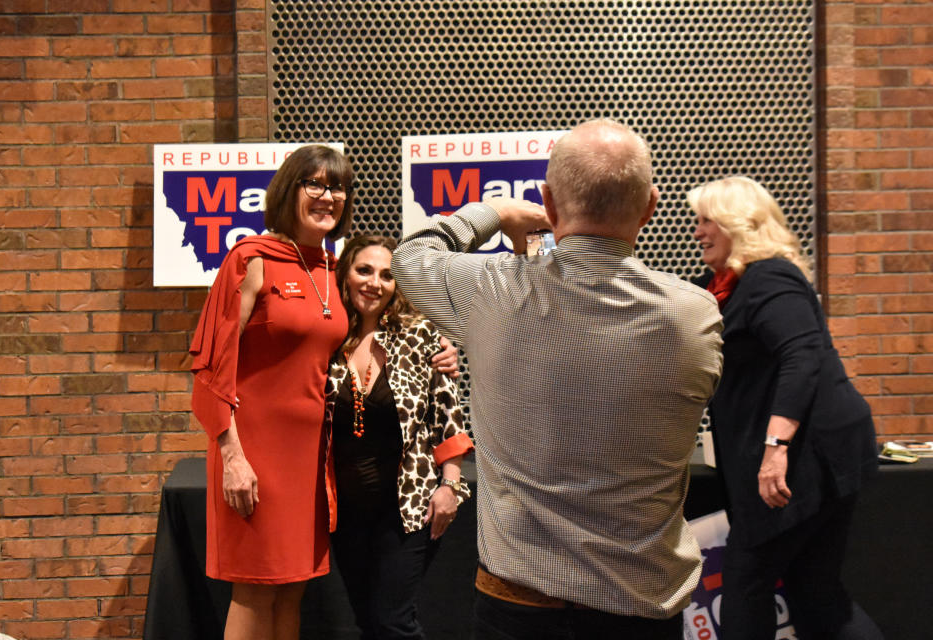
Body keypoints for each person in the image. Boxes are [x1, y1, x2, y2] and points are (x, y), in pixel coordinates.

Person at [392, 119, 724, 638]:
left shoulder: (491, 292)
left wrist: (497, 211)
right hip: (640, 605)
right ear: (650, 208)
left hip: (518, 604)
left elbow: (410, 258)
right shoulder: (695, 313)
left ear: (548, 204)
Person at [189, 146, 458, 640]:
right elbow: (211, 367)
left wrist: (440, 345)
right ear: (287, 190)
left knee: (292, 588)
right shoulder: (250, 260)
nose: (326, 196)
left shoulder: (329, 270)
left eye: (336, 187)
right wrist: (231, 455)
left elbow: (374, 326)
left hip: (314, 463)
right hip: (254, 452)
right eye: (313, 184)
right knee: (254, 588)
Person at [687, 176, 883, 640]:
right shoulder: (720, 287)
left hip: (806, 461)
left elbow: (803, 355)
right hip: (803, 458)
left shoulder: (770, 276)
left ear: (739, 223)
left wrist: (776, 446)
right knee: (814, 590)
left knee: (746, 580)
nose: (697, 232)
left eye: (706, 220)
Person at [326, 234, 474, 639]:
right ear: (345, 275)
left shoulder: (420, 335)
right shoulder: (325, 339)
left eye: (387, 275)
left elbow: (448, 417)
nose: (374, 282)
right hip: (346, 513)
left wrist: (450, 485)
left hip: (407, 508)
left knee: (394, 621)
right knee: (367, 621)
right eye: (364, 270)